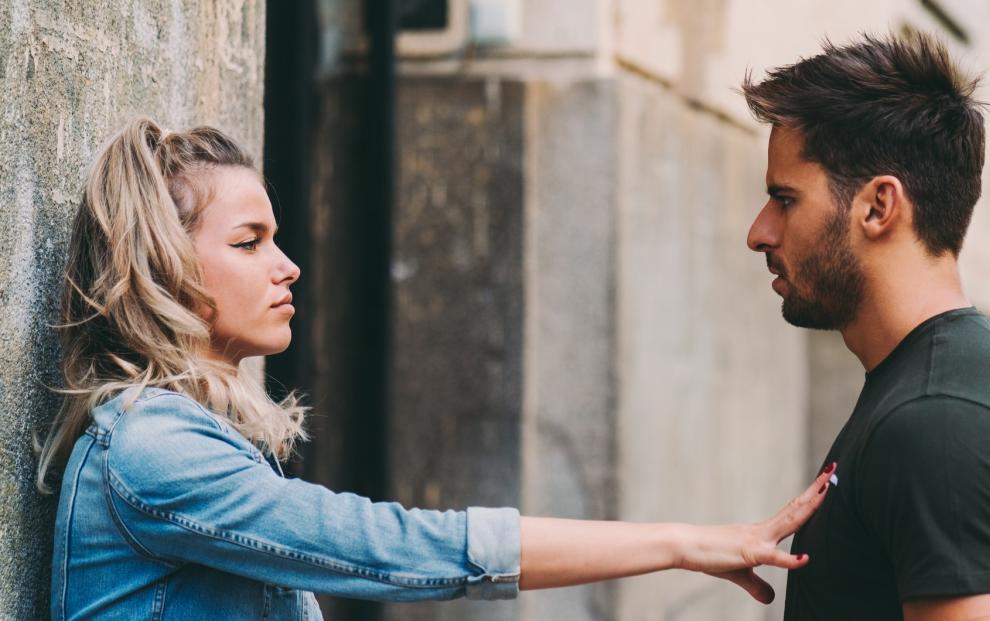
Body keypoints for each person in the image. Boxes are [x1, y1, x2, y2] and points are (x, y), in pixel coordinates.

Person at [37, 117, 833, 620]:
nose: (288, 268)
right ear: (161, 269)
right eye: (248, 243)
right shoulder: (152, 449)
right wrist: (685, 541)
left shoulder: (186, 438)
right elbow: (396, 548)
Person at [741, 32, 990, 621]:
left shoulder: (942, 422)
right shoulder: (941, 389)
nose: (759, 232)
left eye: (785, 198)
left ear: (878, 206)